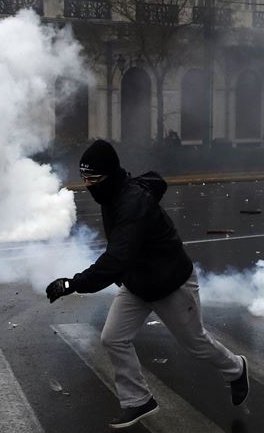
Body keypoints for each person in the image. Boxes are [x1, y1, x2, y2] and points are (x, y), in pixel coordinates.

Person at [46, 140, 248, 429]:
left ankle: (236, 369)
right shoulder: (113, 192)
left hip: (171, 283)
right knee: (113, 337)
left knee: (195, 343)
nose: (87, 186)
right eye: (84, 178)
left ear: (110, 176)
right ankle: (138, 400)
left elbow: (116, 257)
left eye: (92, 179)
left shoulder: (132, 204)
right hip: (137, 282)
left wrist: (72, 283)